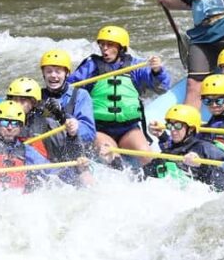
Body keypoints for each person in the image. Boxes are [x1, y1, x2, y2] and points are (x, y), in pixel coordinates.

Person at [67, 25, 170, 164]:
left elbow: (162, 87)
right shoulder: (91, 67)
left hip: (129, 129)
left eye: (110, 45)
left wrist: (157, 71)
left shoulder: (136, 67)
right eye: (102, 44)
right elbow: (69, 89)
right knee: (111, 157)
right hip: (100, 129)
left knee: (147, 157)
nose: (104, 48)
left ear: (121, 48)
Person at [0, 100, 90, 191]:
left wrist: (79, 169)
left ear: (21, 126)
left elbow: (55, 174)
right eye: (4, 122)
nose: (9, 127)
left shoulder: (26, 151)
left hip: (13, 201)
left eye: (15, 123)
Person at [142, 104, 224, 191]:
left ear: (190, 129)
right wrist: (162, 136)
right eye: (169, 125)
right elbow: (172, 151)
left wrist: (202, 165)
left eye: (178, 126)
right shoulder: (175, 146)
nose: (172, 130)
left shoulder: (204, 147)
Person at [5, 76, 76, 162]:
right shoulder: (2, 124)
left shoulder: (48, 124)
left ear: (34, 103)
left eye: (22, 100)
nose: (17, 104)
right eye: (14, 100)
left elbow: (68, 153)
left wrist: (65, 122)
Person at [39, 49, 96, 150]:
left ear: (67, 73)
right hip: (44, 149)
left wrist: (74, 126)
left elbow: (90, 133)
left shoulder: (80, 95)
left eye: (58, 71)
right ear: (43, 73)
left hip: (70, 149)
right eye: (49, 71)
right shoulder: (37, 96)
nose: (53, 75)